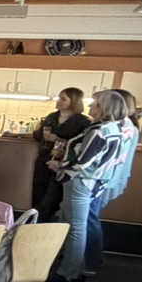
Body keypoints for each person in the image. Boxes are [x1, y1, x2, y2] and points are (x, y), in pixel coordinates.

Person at [51, 87, 139, 282]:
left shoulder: (100, 131)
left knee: (76, 228)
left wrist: (59, 167)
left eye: (95, 104)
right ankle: (72, 267)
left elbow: (83, 162)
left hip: (82, 181)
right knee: (75, 224)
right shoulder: (114, 129)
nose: (90, 106)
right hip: (95, 181)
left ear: (104, 108)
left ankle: (70, 273)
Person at [32, 87, 92, 220]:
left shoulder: (83, 121)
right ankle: (35, 223)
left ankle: (46, 224)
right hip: (44, 159)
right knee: (38, 194)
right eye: (59, 98)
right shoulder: (52, 117)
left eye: (63, 99)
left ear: (74, 101)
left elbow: (81, 145)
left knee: (52, 198)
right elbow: (38, 135)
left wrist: (58, 139)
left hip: (62, 164)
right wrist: (16, 134)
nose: (58, 101)